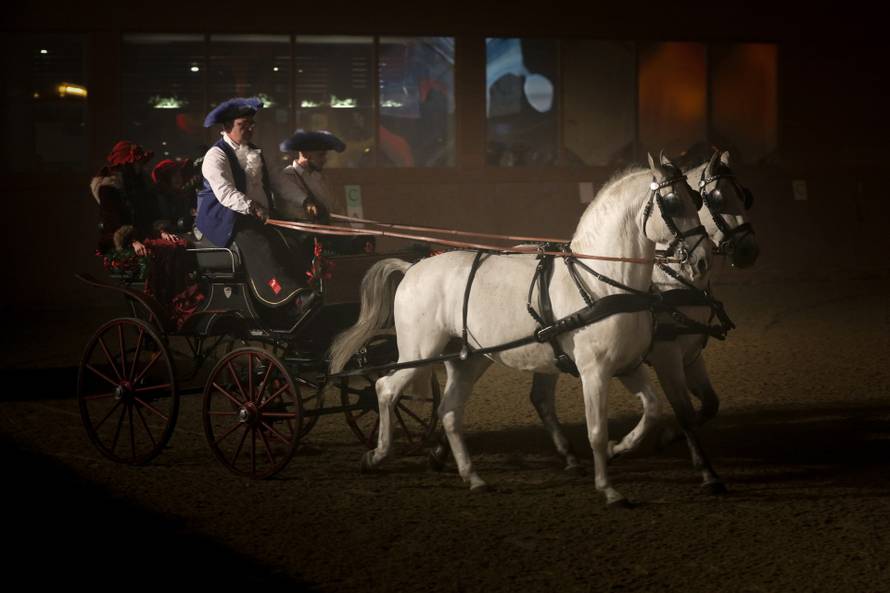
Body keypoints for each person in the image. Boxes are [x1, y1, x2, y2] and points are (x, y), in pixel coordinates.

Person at [195, 97, 316, 313]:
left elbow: (279, 181)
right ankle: (290, 298)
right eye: (244, 125)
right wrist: (253, 207)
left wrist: (304, 200)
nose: (250, 128)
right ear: (227, 127)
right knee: (261, 245)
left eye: (252, 124)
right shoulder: (215, 155)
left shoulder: (257, 151)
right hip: (226, 221)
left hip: (258, 216)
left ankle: (306, 290)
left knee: (293, 240)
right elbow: (225, 193)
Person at [278, 129, 374, 254]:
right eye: (321, 155)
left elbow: (337, 209)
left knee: (365, 241)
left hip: (329, 236)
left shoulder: (322, 179)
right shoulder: (287, 177)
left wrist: (351, 235)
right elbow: (295, 217)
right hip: (305, 241)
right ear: (306, 154)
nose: (325, 159)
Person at [90, 140, 175, 256]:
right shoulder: (109, 188)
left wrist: (161, 231)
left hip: (144, 236)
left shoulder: (141, 183)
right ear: (126, 164)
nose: (140, 166)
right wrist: (131, 241)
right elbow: (113, 224)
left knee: (177, 245)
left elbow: (151, 213)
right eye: (137, 162)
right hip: (121, 243)